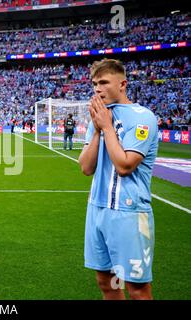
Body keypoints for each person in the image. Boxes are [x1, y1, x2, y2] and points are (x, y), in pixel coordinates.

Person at [78, 59, 158, 300]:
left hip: (128, 212)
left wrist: (108, 128)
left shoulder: (142, 117)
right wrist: (98, 130)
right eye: (94, 84)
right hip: (97, 210)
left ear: (122, 83)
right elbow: (86, 167)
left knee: (137, 289)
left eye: (103, 83)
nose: (97, 89)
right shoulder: (100, 117)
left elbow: (124, 165)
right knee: (107, 282)